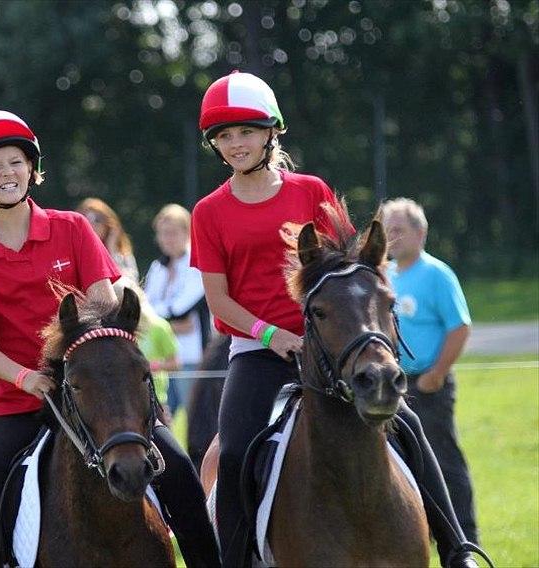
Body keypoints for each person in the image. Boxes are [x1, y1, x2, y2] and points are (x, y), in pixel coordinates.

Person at [190, 71, 485, 568]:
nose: (235, 144)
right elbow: (218, 301)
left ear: (271, 133)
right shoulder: (208, 212)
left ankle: (457, 549)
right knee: (236, 452)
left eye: (245, 132)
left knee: (408, 426)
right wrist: (273, 335)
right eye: (225, 136)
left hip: (333, 343)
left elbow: (352, 263)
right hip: (259, 353)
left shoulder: (311, 192)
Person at [0, 110, 219, 568]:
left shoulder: (72, 228)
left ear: (32, 168)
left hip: (97, 395)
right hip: (11, 402)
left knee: (183, 482)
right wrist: (25, 377)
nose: (7, 173)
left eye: (15, 162)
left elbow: (106, 311)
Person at [383, 198, 480, 546]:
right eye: (387, 230)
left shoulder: (437, 274)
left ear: (420, 233)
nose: (391, 238)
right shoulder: (385, 276)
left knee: (442, 463)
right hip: (391, 385)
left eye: (399, 230)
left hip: (428, 385)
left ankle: (462, 544)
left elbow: (460, 327)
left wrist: (436, 374)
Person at [144, 204, 210, 416]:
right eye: (162, 234)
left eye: (172, 233)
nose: (167, 239)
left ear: (187, 232)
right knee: (161, 416)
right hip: (160, 359)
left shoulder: (197, 265)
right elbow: (145, 309)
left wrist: (159, 318)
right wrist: (170, 321)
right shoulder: (157, 268)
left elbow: (181, 308)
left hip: (192, 357)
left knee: (194, 417)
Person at [113, 275, 179, 421]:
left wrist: (150, 366)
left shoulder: (159, 327)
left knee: (165, 442)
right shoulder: (115, 332)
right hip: (123, 400)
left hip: (155, 399)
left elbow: (175, 363)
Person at [77, 197, 140, 281]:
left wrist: (112, 248)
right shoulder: (75, 252)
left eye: (97, 219)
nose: (92, 224)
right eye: (86, 219)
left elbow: (130, 282)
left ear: (107, 224)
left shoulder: (122, 253)